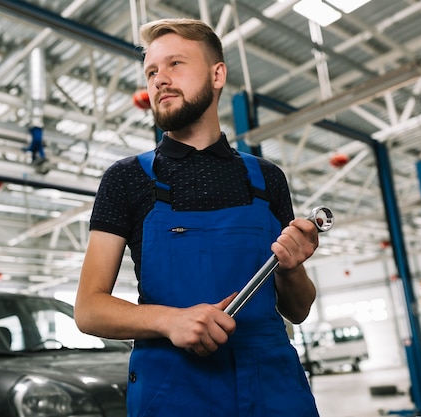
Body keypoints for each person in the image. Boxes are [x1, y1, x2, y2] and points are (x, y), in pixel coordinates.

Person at [75, 17, 320, 417]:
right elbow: (88, 309)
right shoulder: (127, 179)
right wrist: (171, 322)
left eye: (175, 64)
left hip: (273, 390)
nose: (159, 80)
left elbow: (298, 309)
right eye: (151, 71)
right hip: (174, 392)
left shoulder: (266, 178)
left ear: (217, 74)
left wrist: (292, 269)